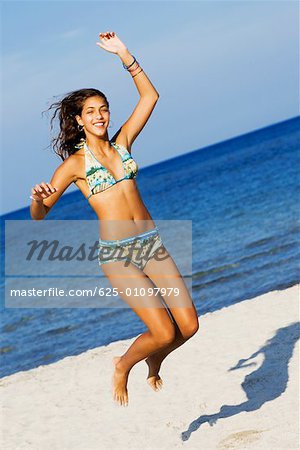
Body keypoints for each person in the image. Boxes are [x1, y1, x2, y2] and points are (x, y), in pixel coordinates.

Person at [30, 31, 199, 407]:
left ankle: (154, 360)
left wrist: (124, 54)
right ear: (78, 120)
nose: (100, 115)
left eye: (103, 108)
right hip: (118, 255)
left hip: (151, 245)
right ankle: (123, 364)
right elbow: (40, 217)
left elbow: (150, 97)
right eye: (90, 111)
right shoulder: (74, 165)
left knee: (188, 327)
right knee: (161, 328)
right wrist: (38, 200)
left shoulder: (123, 144)